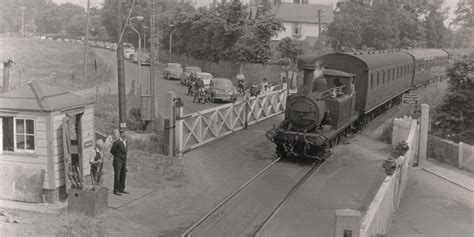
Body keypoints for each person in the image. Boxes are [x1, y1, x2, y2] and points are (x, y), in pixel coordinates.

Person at [110, 129, 128, 196]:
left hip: (124, 160)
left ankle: (122, 188)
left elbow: (126, 151)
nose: (126, 134)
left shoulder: (126, 141)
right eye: (125, 133)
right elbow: (112, 151)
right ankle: (116, 190)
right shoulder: (117, 142)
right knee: (117, 175)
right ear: (122, 134)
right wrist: (117, 156)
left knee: (123, 174)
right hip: (118, 160)